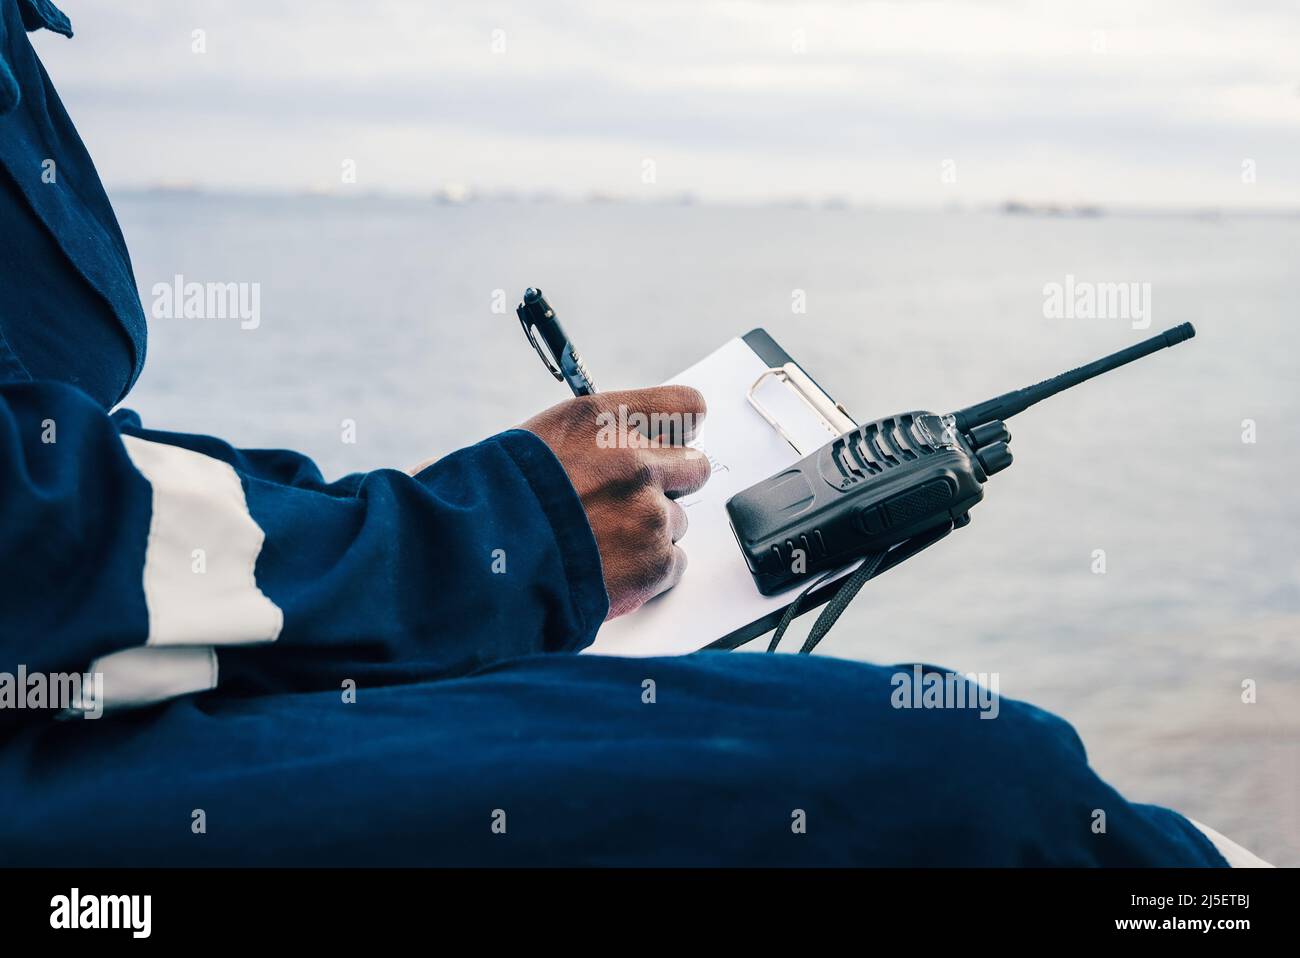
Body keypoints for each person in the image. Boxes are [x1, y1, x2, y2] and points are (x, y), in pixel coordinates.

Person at [0, 0, 1245, 866]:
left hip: (93, 689)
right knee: (966, 774)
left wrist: (434, 534)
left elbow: (70, 462)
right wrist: (494, 535)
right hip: (48, 767)